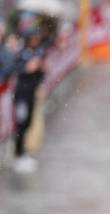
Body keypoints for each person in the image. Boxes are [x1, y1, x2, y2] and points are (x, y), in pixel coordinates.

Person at [12, 25, 48, 173]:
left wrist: (41, 69)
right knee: (21, 122)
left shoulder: (38, 52)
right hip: (22, 94)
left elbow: (41, 75)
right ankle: (18, 153)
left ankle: (25, 152)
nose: (35, 40)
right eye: (33, 38)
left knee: (29, 123)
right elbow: (16, 69)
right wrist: (27, 68)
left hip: (32, 93)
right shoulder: (22, 53)